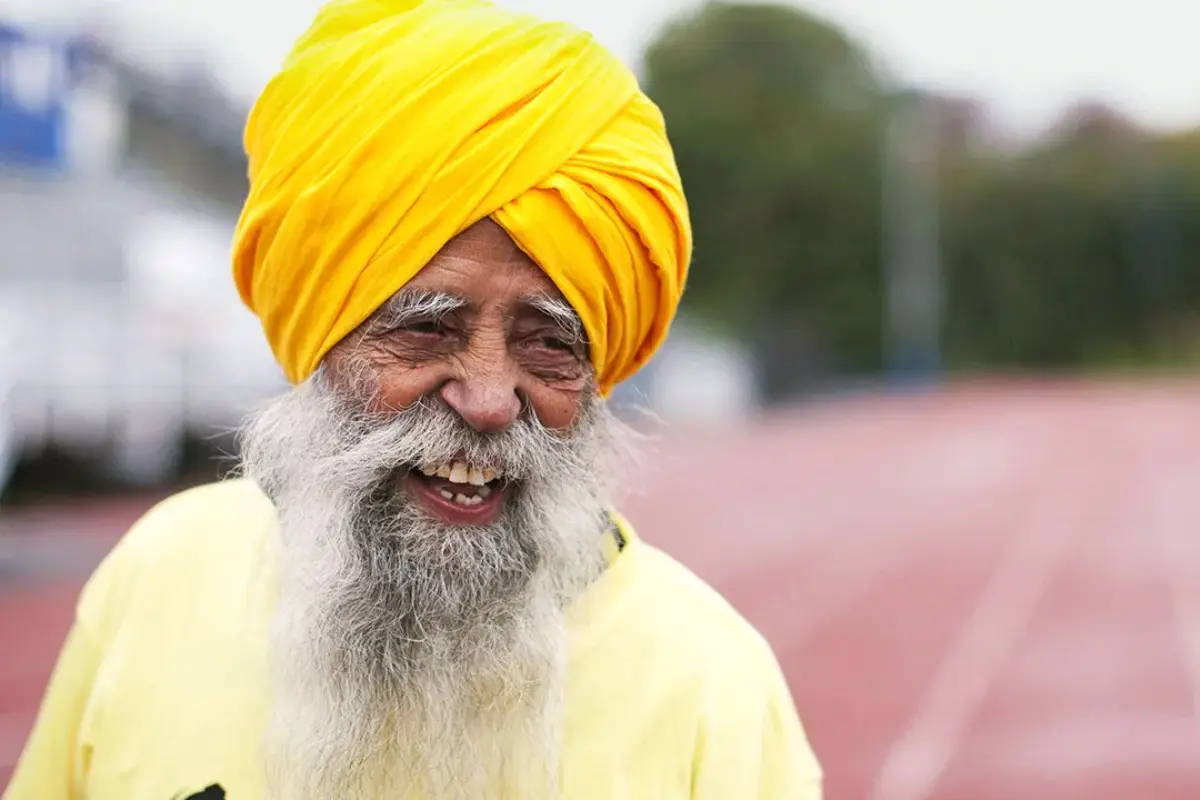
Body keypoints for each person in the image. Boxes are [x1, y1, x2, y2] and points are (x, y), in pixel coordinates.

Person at [5, 1, 823, 798]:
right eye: (426, 329)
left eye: (549, 344)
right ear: (322, 333)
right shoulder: (158, 579)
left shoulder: (712, 688)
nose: (489, 399)